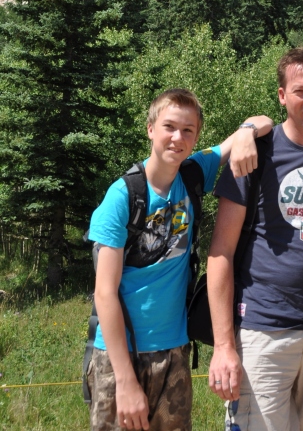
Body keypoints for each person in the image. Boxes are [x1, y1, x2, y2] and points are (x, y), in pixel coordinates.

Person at [86, 89, 273, 431]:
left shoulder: (194, 172)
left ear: (197, 135)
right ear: (150, 129)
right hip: (120, 357)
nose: (178, 138)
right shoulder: (122, 197)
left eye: (188, 130)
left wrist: (246, 133)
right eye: (169, 127)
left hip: (174, 350)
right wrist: (126, 381)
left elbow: (264, 121)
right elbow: (104, 294)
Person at [206, 47, 303, 431]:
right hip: (263, 329)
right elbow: (221, 253)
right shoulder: (255, 154)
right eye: (299, 91)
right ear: (281, 96)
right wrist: (225, 346)